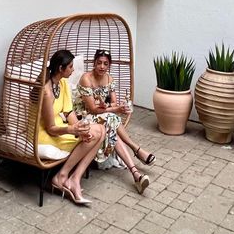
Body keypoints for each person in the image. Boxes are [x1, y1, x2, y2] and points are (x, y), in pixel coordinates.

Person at [76, 49, 155, 193]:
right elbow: (92, 109)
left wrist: (111, 107)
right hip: (83, 116)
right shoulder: (86, 78)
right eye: (99, 63)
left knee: (111, 123)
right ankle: (136, 150)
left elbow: (114, 102)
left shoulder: (109, 79)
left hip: (102, 115)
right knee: (111, 118)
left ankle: (136, 174)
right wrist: (113, 108)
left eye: (105, 64)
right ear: (94, 63)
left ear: (109, 65)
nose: (102, 66)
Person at [37, 49, 105, 205]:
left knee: (100, 130)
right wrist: (72, 130)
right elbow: (50, 128)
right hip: (44, 134)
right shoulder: (46, 92)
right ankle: (61, 177)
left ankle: (74, 179)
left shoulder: (62, 83)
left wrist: (80, 127)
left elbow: (68, 112)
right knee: (95, 134)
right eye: (70, 67)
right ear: (61, 68)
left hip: (60, 128)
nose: (73, 70)